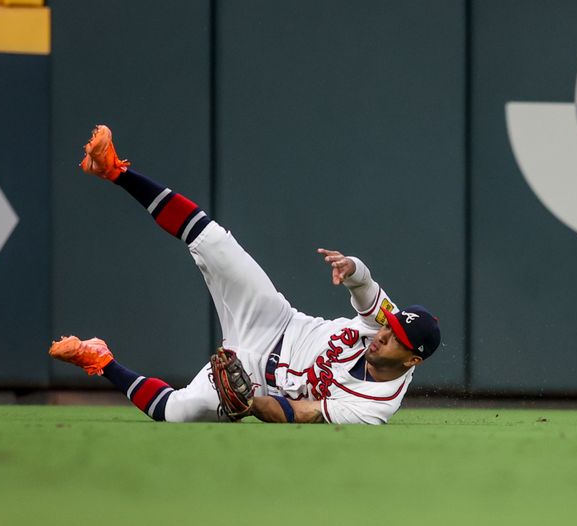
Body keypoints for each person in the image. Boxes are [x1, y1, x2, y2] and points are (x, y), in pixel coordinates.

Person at [50, 125, 441, 425]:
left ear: (411, 361)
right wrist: (351, 265)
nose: (383, 335)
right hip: (276, 320)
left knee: (177, 411)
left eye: (394, 339)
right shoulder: (381, 324)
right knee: (213, 239)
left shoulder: (375, 408)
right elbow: (365, 285)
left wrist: (248, 402)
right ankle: (115, 171)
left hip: (257, 380)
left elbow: (300, 414)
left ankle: (100, 361)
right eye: (389, 327)